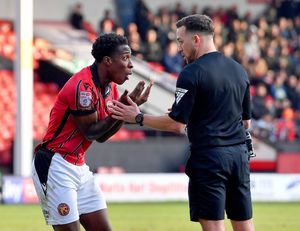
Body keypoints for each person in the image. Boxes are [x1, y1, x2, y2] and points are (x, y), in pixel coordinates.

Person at [110, 14, 255, 231]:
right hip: (239, 158)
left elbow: (175, 124)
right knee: (244, 225)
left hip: (210, 159)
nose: (179, 47)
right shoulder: (238, 70)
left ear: (196, 39)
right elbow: (246, 124)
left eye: (180, 41)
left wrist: (137, 117)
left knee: (214, 226)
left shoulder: (191, 72)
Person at [32, 33, 152, 231]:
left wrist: (124, 112)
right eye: (125, 57)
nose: (131, 64)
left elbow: (103, 136)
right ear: (107, 61)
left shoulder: (110, 89)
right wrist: (120, 111)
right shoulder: (83, 87)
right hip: (55, 164)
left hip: (79, 166)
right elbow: (90, 132)